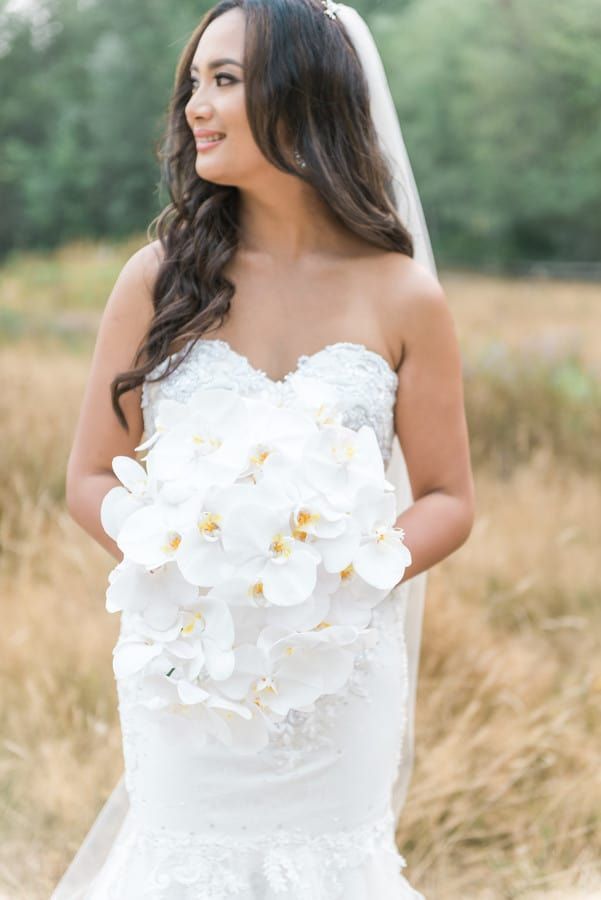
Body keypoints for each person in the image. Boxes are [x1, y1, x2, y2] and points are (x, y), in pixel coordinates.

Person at [53, 0, 475, 896]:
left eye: (226, 80)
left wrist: (340, 572)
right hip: (188, 668)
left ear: (304, 95)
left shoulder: (403, 296)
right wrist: (180, 562)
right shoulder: (158, 277)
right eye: (194, 84)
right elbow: (90, 477)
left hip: (335, 665)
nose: (195, 107)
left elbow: (446, 497)